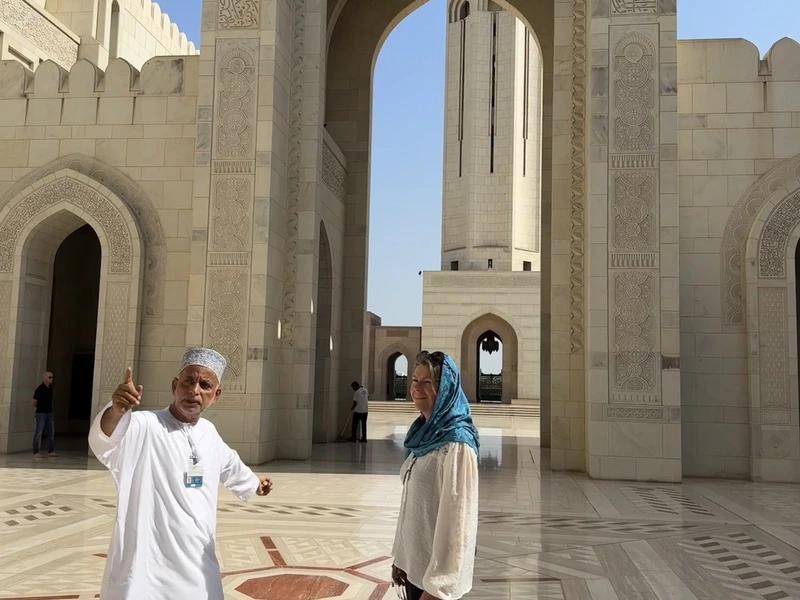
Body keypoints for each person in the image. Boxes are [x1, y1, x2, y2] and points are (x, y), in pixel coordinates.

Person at [88, 348, 273, 600]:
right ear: (175, 386)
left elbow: (230, 464)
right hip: (148, 561)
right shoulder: (145, 425)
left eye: (205, 385)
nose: (194, 390)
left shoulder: (209, 433)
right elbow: (106, 441)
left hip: (196, 560)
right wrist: (117, 410)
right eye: (188, 381)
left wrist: (255, 483)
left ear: (215, 395)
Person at [391, 351, 480, 600]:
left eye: (427, 382)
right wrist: (401, 556)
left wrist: (438, 588)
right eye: (415, 380)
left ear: (445, 390)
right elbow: (412, 505)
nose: (417, 388)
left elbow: (458, 524)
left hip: (432, 585)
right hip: (414, 569)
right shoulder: (422, 436)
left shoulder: (456, 444)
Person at [32, 371, 56, 458]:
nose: (52, 379)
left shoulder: (50, 388)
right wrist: (39, 410)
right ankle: (35, 451)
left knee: (51, 432)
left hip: (49, 413)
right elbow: (34, 402)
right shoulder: (40, 389)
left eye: (52, 377)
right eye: (50, 377)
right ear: (45, 378)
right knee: (38, 432)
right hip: (41, 413)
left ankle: (51, 451)